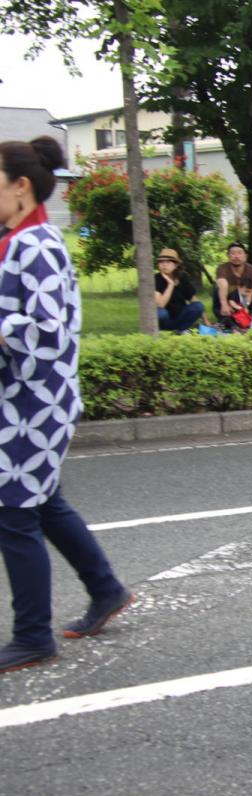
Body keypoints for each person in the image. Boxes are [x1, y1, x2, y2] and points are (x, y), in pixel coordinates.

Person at [0, 136, 134, 673]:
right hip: (23, 398)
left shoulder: (39, 245)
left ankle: (34, 635)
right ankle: (106, 590)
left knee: (13, 514)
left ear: (20, 186)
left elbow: (52, 333)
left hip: (36, 403)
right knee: (42, 503)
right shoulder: (15, 239)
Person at [153, 247, 205, 333]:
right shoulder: (156, 279)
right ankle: (163, 332)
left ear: (176, 265)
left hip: (179, 316)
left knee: (198, 306)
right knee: (161, 313)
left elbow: (194, 300)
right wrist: (170, 284)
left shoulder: (182, 278)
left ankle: (181, 330)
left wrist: (206, 321)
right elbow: (160, 305)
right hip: (165, 319)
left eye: (168, 262)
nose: (164, 265)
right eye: (161, 262)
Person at [212, 242, 252, 322]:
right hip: (228, 298)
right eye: (233, 253)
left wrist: (244, 307)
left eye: (240, 253)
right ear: (228, 256)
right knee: (217, 291)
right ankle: (223, 317)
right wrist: (225, 304)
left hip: (246, 300)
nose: (236, 256)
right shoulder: (222, 268)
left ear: (245, 256)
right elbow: (222, 284)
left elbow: (250, 292)